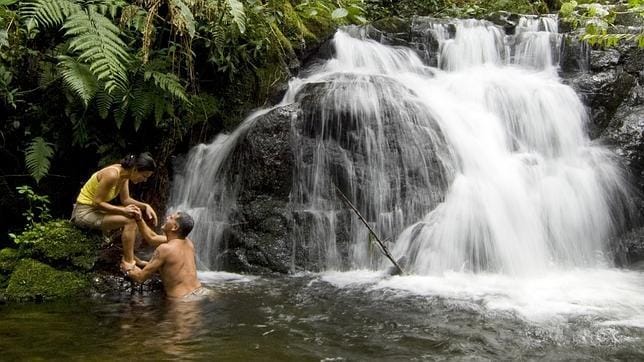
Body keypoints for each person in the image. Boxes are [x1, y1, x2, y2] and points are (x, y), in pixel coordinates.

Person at [71, 152, 158, 267]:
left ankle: (130, 255)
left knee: (134, 213)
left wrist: (145, 206)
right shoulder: (112, 175)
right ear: (135, 169)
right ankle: (128, 262)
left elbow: (126, 200)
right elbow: (97, 202)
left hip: (96, 210)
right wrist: (123, 211)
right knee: (130, 220)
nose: (144, 180)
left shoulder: (124, 176)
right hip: (83, 213)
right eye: (144, 176)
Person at [121, 210, 208, 300]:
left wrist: (128, 268)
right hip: (200, 292)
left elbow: (140, 278)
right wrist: (139, 219)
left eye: (171, 218)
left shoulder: (164, 249)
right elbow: (152, 238)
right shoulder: (189, 243)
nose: (167, 217)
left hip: (181, 300)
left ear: (175, 227)